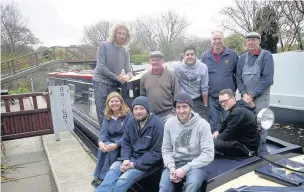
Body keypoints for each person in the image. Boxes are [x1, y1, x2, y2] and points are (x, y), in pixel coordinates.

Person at [95, 96, 164, 192]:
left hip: (146, 163)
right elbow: (126, 142)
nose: (138, 111)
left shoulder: (157, 125)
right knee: (112, 171)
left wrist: (134, 164)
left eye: (141, 108)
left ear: (147, 109)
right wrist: (126, 159)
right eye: (136, 109)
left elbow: (156, 153)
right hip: (130, 158)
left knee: (122, 181)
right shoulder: (131, 121)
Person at [159, 92, 214, 192]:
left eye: (185, 107)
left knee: (192, 185)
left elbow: (208, 155)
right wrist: (171, 166)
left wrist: (184, 169)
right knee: (163, 188)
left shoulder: (203, 125)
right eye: (178, 107)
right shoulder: (169, 123)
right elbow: (166, 149)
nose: (181, 111)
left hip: (195, 165)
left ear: (191, 108)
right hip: (175, 163)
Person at [236, 32, 274, 144]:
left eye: (254, 39)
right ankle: (248, 147)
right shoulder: (242, 58)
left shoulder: (266, 56)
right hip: (245, 97)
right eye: (248, 40)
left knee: (260, 123)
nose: (251, 42)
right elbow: (238, 78)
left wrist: (252, 96)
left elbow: (267, 79)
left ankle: (261, 148)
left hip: (261, 97)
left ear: (259, 41)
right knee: (246, 122)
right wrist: (244, 94)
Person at [93, 22, 132, 126]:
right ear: (114, 34)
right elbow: (101, 67)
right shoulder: (104, 45)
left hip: (114, 84)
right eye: (119, 33)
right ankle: (103, 138)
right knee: (103, 112)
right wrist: (117, 78)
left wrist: (128, 75)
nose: (122, 36)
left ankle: (114, 135)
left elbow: (129, 69)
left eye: (124, 34)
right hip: (101, 82)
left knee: (115, 111)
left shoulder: (125, 51)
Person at [201, 30, 238, 133]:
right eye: (214, 39)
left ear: (223, 40)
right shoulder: (205, 57)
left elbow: (238, 75)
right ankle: (216, 145)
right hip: (212, 97)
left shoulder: (232, 55)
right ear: (211, 41)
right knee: (214, 124)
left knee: (229, 122)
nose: (217, 41)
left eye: (219, 39)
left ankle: (229, 145)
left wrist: (233, 91)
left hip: (228, 98)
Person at [91, 92, 131, 187]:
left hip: (123, 143)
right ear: (108, 104)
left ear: (121, 102)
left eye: (116, 101)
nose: (114, 103)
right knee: (104, 147)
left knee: (111, 150)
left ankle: (103, 177)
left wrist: (116, 144)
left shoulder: (128, 116)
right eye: (111, 101)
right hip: (110, 140)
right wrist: (101, 142)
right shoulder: (107, 116)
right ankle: (97, 175)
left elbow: (128, 135)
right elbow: (103, 132)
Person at [213, 89, 258, 158]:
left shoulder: (237, 112)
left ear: (233, 98)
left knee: (210, 143)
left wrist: (212, 140)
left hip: (246, 149)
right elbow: (224, 122)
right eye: (221, 102)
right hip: (241, 142)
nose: (223, 104)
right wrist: (217, 131)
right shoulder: (237, 107)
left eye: (225, 101)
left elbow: (226, 135)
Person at [140, 51, 180, 123]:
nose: (155, 62)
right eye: (153, 60)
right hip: (151, 116)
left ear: (162, 61)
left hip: (169, 114)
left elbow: (177, 93)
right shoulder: (144, 77)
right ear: (150, 62)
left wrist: (175, 111)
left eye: (157, 60)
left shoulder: (170, 75)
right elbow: (142, 96)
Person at [172, 45, 209, 121]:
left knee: (204, 120)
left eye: (192, 54)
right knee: (183, 121)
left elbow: (204, 87)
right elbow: (165, 69)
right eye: (187, 54)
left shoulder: (203, 67)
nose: (190, 56)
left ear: (195, 55)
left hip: (196, 99)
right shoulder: (177, 67)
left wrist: (205, 105)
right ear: (183, 56)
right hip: (182, 99)